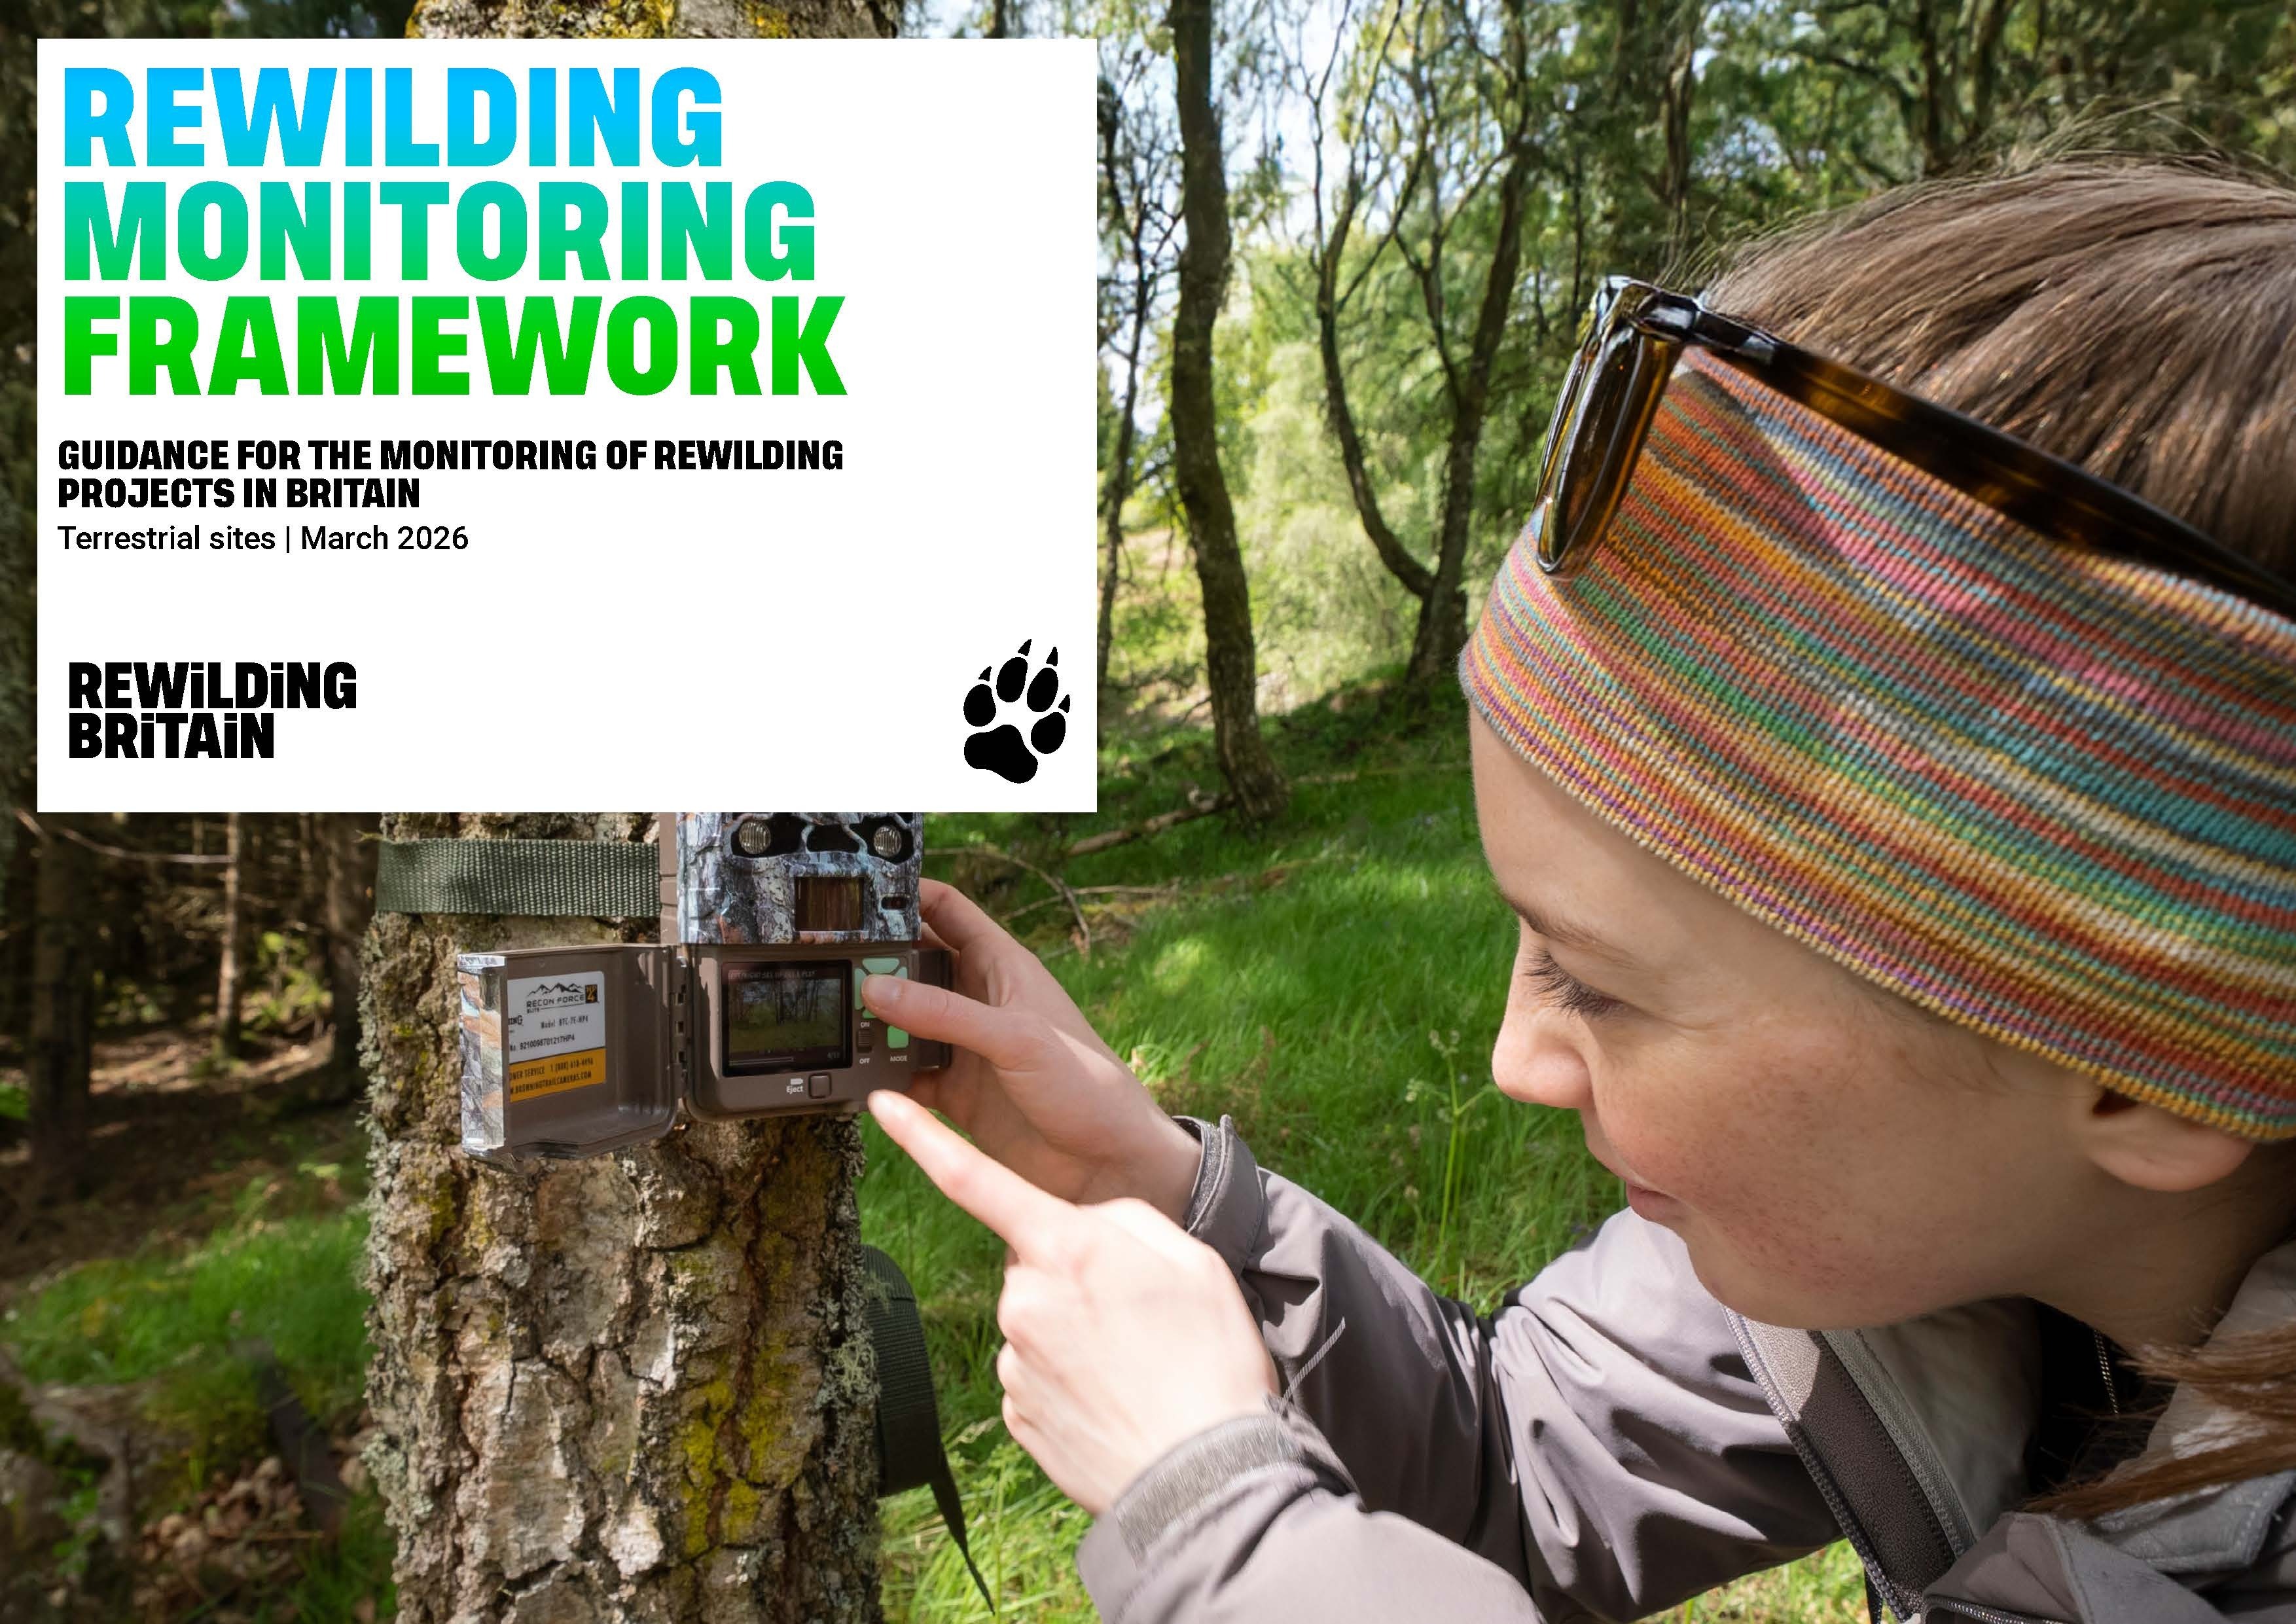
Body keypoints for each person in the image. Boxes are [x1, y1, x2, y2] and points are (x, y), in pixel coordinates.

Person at [861, 158, 2296, 1623]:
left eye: (1596, 980)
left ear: (2155, 1073)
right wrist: (1159, 1185)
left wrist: (1215, 1517)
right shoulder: (1917, 1224)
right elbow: (1516, 1462)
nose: (1515, 1058)